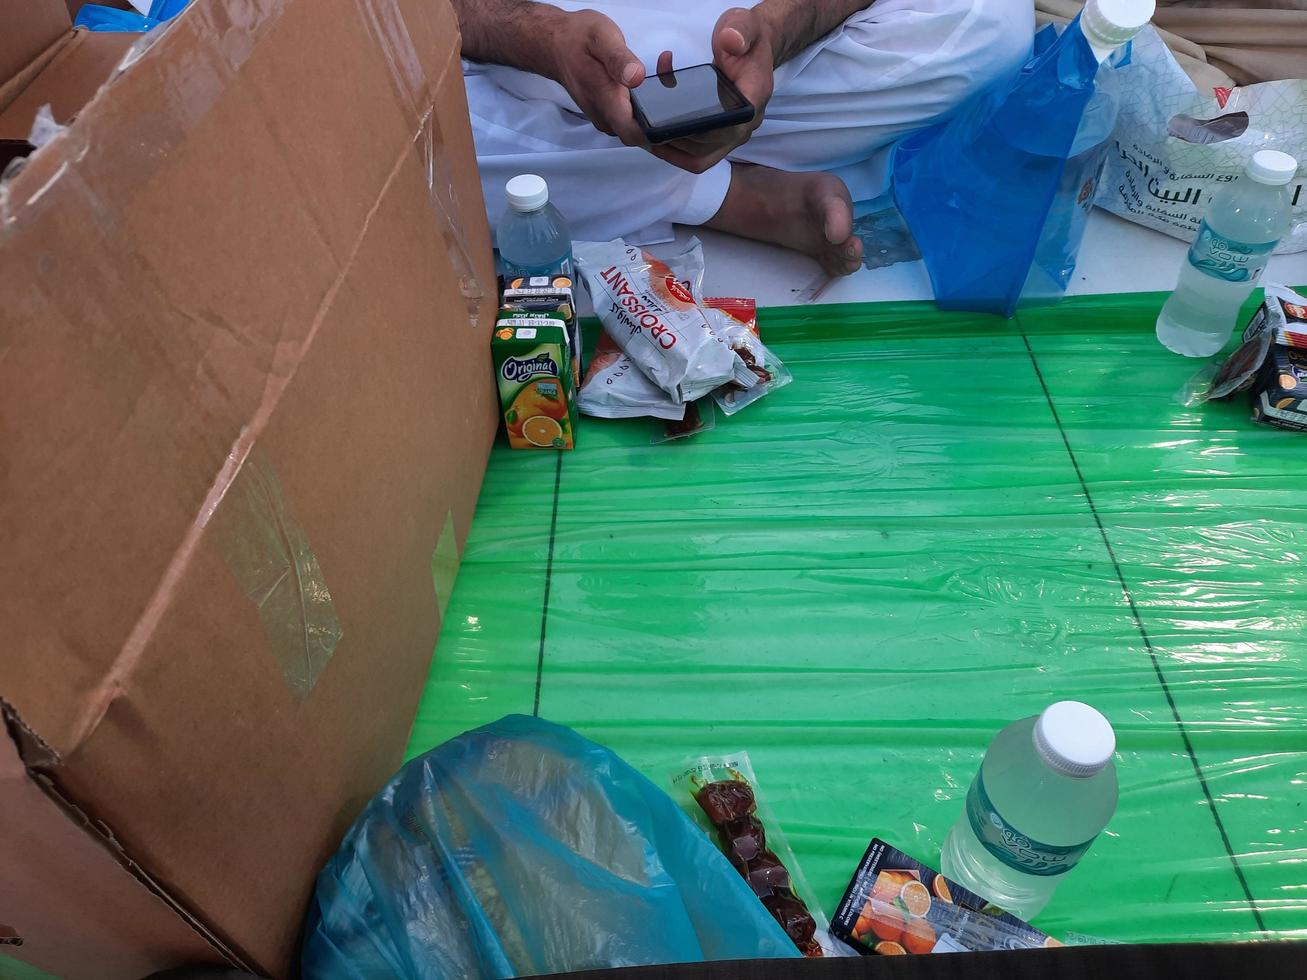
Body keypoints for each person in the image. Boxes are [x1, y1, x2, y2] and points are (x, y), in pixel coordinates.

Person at [455, 1, 1034, 276]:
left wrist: (781, 25)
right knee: (408, 151)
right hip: (518, 31)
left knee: (991, 18)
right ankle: (734, 197)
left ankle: (668, 141)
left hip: (732, 19)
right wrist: (543, 39)